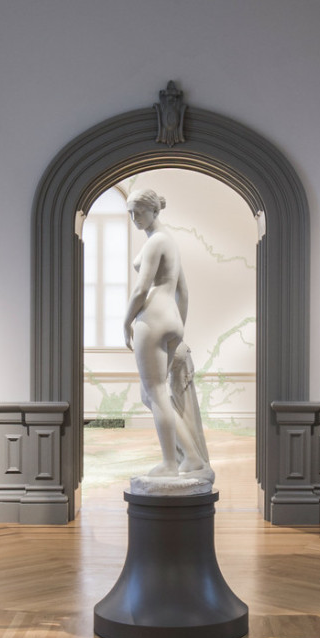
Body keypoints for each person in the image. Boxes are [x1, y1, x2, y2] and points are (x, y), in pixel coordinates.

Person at [123, 189, 213, 481]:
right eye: (130, 212)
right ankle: (193, 457)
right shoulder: (169, 242)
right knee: (152, 395)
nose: (134, 218)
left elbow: (141, 289)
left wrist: (125, 321)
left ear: (154, 211)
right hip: (170, 319)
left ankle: (169, 464)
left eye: (139, 211)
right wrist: (179, 328)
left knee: (156, 393)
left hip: (153, 319)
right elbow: (183, 291)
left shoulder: (155, 242)